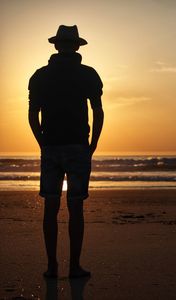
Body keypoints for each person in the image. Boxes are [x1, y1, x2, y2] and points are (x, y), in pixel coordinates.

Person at [28, 25, 104, 278]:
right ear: (77, 46)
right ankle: (74, 267)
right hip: (78, 146)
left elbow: (32, 114)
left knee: (50, 207)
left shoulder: (40, 75)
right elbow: (98, 111)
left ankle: (52, 266)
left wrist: (42, 142)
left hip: (51, 146)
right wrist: (93, 143)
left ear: (56, 46)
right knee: (76, 208)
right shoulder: (88, 74)